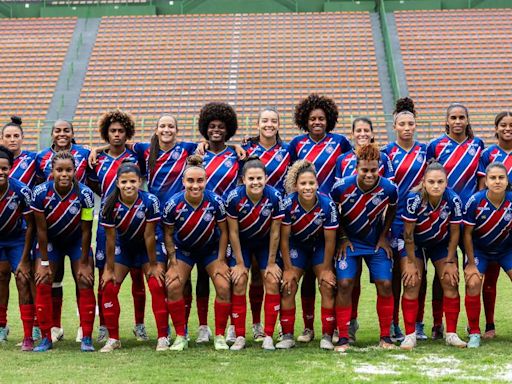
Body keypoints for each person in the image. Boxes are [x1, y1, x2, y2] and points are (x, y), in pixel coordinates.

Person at [288, 94, 351, 343]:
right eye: (312, 118)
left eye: (321, 118)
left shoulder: (340, 142)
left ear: (329, 120)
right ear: (305, 120)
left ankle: (334, 327)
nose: (317, 122)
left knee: (327, 274)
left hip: (329, 215)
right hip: (303, 215)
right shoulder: (296, 144)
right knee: (305, 276)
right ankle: (307, 327)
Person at [87, 109, 148, 343]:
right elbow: (96, 187)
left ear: (127, 133)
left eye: (121, 131)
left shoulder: (136, 157)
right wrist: (97, 150)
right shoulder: (97, 160)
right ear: (106, 133)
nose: (117, 135)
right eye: (112, 131)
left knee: (137, 275)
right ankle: (104, 325)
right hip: (107, 224)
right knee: (105, 275)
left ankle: (140, 324)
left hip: (135, 221)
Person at [331, 144, 397, 352]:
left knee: (385, 283)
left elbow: (392, 209)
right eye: (364, 170)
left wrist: (384, 236)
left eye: (373, 170)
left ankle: (386, 336)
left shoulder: (389, 188)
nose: (369, 174)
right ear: (356, 168)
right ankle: (343, 337)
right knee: (345, 283)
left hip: (374, 242)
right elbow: (333, 211)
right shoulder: (341, 187)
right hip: (349, 241)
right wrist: (341, 237)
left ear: (379, 169)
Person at [426, 103, 484, 339]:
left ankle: (474, 325)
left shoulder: (477, 145)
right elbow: (430, 179)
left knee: (473, 271)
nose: (458, 121)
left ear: (467, 120)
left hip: (469, 219)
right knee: (444, 273)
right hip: (443, 218)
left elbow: (481, 181)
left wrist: (477, 206)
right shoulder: (435, 145)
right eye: (453, 117)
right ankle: (437, 323)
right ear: (447, 121)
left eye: (462, 117)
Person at [163, 155, 232, 351]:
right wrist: (173, 262)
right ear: (183, 181)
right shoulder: (173, 204)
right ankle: (180, 336)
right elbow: (168, 234)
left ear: (206, 181)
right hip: (184, 251)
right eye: (190, 181)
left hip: (210, 250)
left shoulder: (215, 202)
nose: (195, 185)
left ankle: (219, 335)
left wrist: (220, 259)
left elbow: (224, 231)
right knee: (174, 285)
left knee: (224, 285)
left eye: (199, 180)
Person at [30, 151, 96, 352]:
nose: (64, 174)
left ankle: (86, 337)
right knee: (42, 281)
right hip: (51, 242)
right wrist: (43, 262)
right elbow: (41, 230)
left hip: (76, 241)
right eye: (59, 170)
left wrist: (84, 262)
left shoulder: (85, 194)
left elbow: (87, 230)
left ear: (75, 171)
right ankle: (45, 338)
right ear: (52, 171)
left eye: (68, 170)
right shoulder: (40, 192)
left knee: (85, 280)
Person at [99, 162, 168, 352]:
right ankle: (113, 338)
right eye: (124, 182)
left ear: (140, 182)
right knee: (109, 287)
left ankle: (162, 336)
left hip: (147, 248)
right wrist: (109, 268)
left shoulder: (150, 201)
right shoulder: (109, 204)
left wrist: (154, 265)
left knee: (156, 283)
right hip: (124, 247)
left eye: (132, 181)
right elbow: (110, 239)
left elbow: (149, 235)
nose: (128, 185)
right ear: (117, 183)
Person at [400, 161, 467, 350]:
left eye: (440, 181)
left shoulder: (453, 200)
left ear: (446, 182)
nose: (436, 186)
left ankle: (451, 333)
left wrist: (450, 260)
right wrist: (411, 262)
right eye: (431, 182)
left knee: (450, 280)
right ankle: (410, 335)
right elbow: (408, 234)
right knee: (411, 281)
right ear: (424, 182)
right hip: (416, 244)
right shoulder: (414, 199)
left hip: (440, 243)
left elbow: (455, 233)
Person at [225, 156, 284, 350]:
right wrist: (240, 263)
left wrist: (272, 262)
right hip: (242, 243)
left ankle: (268, 335)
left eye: (259, 178)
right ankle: (240, 335)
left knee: (272, 280)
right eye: (251, 178)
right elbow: (232, 232)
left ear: (266, 178)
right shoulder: (234, 197)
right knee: (239, 280)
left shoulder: (275, 196)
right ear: (243, 179)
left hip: (265, 243)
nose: (256, 182)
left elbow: (276, 231)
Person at [277, 160, 338, 350]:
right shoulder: (287, 204)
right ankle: (287, 335)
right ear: (296, 186)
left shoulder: (327, 204)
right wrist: (287, 269)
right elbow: (284, 239)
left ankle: (327, 335)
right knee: (289, 284)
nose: (307, 187)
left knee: (328, 284)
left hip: (319, 246)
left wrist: (327, 269)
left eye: (311, 183)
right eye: (303, 184)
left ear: (317, 184)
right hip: (297, 246)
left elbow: (330, 240)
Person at [382, 98, 428, 342]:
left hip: (419, 220)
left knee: (418, 274)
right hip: (394, 220)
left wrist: (421, 188)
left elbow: (433, 177)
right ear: (395, 126)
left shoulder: (425, 150)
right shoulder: (387, 152)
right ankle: (392, 324)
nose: (407, 127)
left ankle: (417, 323)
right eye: (403, 124)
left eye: (411, 123)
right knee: (395, 275)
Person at [242, 108, 290, 341]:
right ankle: (255, 324)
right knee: (253, 278)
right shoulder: (247, 149)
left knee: (274, 276)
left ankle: (280, 325)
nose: (269, 124)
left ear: (279, 125)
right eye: (264, 121)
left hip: (275, 219)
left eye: (273, 121)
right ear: (257, 124)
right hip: (249, 221)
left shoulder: (287, 150)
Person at [197, 102, 241, 344]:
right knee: (203, 276)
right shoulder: (197, 155)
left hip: (230, 223)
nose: (216, 130)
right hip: (203, 224)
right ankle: (203, 326)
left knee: (230, 274)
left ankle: (234, 325)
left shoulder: (236, 154)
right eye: (212, 126)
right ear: (205, 128)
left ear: (228, 129)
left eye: (221, 127)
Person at [463, 162, 512, 348]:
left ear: (507, 181)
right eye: (493, 178)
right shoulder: (475, 201)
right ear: (486, 180)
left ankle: (489, 325)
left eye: (501, 177)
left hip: (506, 250)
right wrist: (470, 263)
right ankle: (474, 332)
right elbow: (466, 234)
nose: (497, 181)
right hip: (480, 250)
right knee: (474, 282)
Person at [476, 111, 512, 339]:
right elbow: (482, 186)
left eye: (511, 125)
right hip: (492, 221)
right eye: (504, 125)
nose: (508, 128)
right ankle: (489, 325)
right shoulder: (488, 154)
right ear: (496, 128)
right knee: (489, 279)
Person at [0, 146, 35, 350]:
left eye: (4, 168)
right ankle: (1, 327)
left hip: (16, 240)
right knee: (1, 278)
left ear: (10, 169)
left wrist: (23, 258)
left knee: (23, 279)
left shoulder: (21, 191)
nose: (1, 172)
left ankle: (29, 334)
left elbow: (31, 224)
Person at [2, 116, 37, 188]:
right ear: (2, 138)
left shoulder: (34, 158)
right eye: (8, 136)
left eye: (16, 136)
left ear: (22, 138)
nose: (12, 139)